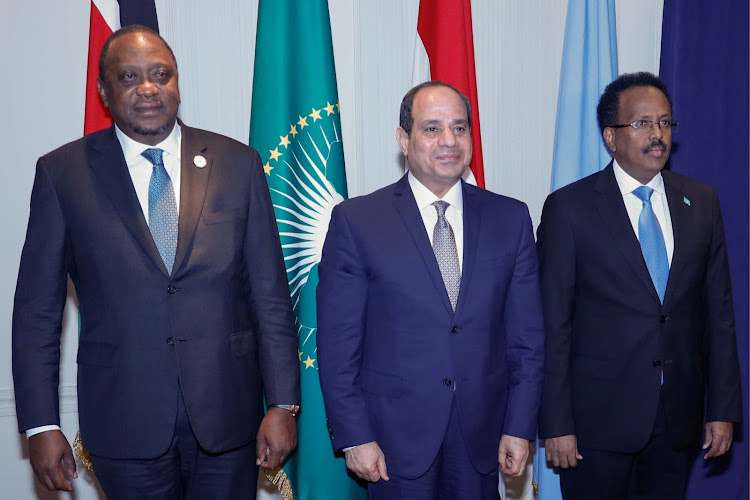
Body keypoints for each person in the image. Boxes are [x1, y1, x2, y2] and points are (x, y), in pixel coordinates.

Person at [12, 25, 300, 499]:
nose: (148, 88)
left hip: (229, 423)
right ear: (104, 91)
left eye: (161, 74)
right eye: (129, 77)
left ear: (176, 83)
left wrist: (283, 404)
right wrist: (40, 424)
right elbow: (37, 313)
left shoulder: (237, 163)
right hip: (124, 423)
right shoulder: (62, 174)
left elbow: (270, 296)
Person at [316, 81, 545, 499]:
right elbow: (337, 346)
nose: (448, 141)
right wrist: (354, 436)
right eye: (432, 128)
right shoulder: (358, 221)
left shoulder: (510, 218)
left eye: (459, 129)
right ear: (404, 139)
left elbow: (526, 340)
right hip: (391, 441)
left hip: (482, 436)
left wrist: (519, 426)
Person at [537, 72, 742, 500]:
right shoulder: (569, 209)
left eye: (665, 123)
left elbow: (718, 316)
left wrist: (723, 410)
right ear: (611, 138)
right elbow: (552, 326)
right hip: (595, 427)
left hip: (677, 421)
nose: (657, 135)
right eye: (643, 124)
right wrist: (556, 424)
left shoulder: (701, 202)